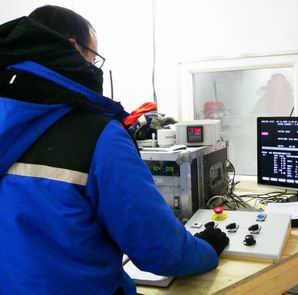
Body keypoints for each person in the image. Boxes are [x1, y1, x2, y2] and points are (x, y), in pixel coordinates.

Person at [0, 5, 229, 295]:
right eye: (94, 57)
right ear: (73, 47)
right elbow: (161, 250)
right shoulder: (97, 135)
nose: (95, 67)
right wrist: (208, 246)